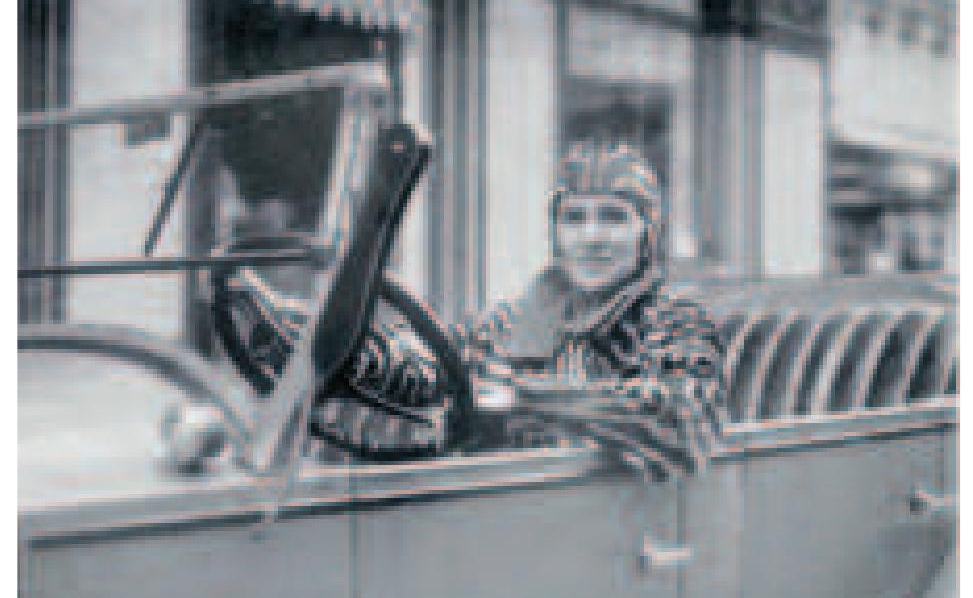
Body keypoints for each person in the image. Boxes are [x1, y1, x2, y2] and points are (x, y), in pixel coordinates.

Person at [211, 140, 726, 471]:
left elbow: (675, 416)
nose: (592, 237)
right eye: (575, 219)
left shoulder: (675, 321)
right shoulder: (512, 321)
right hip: (498, 522)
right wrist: (322, 341)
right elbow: (428, 370)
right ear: (556, 233)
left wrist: (515, 397)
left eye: (614, 218)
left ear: (647, 233)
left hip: (598, 538)